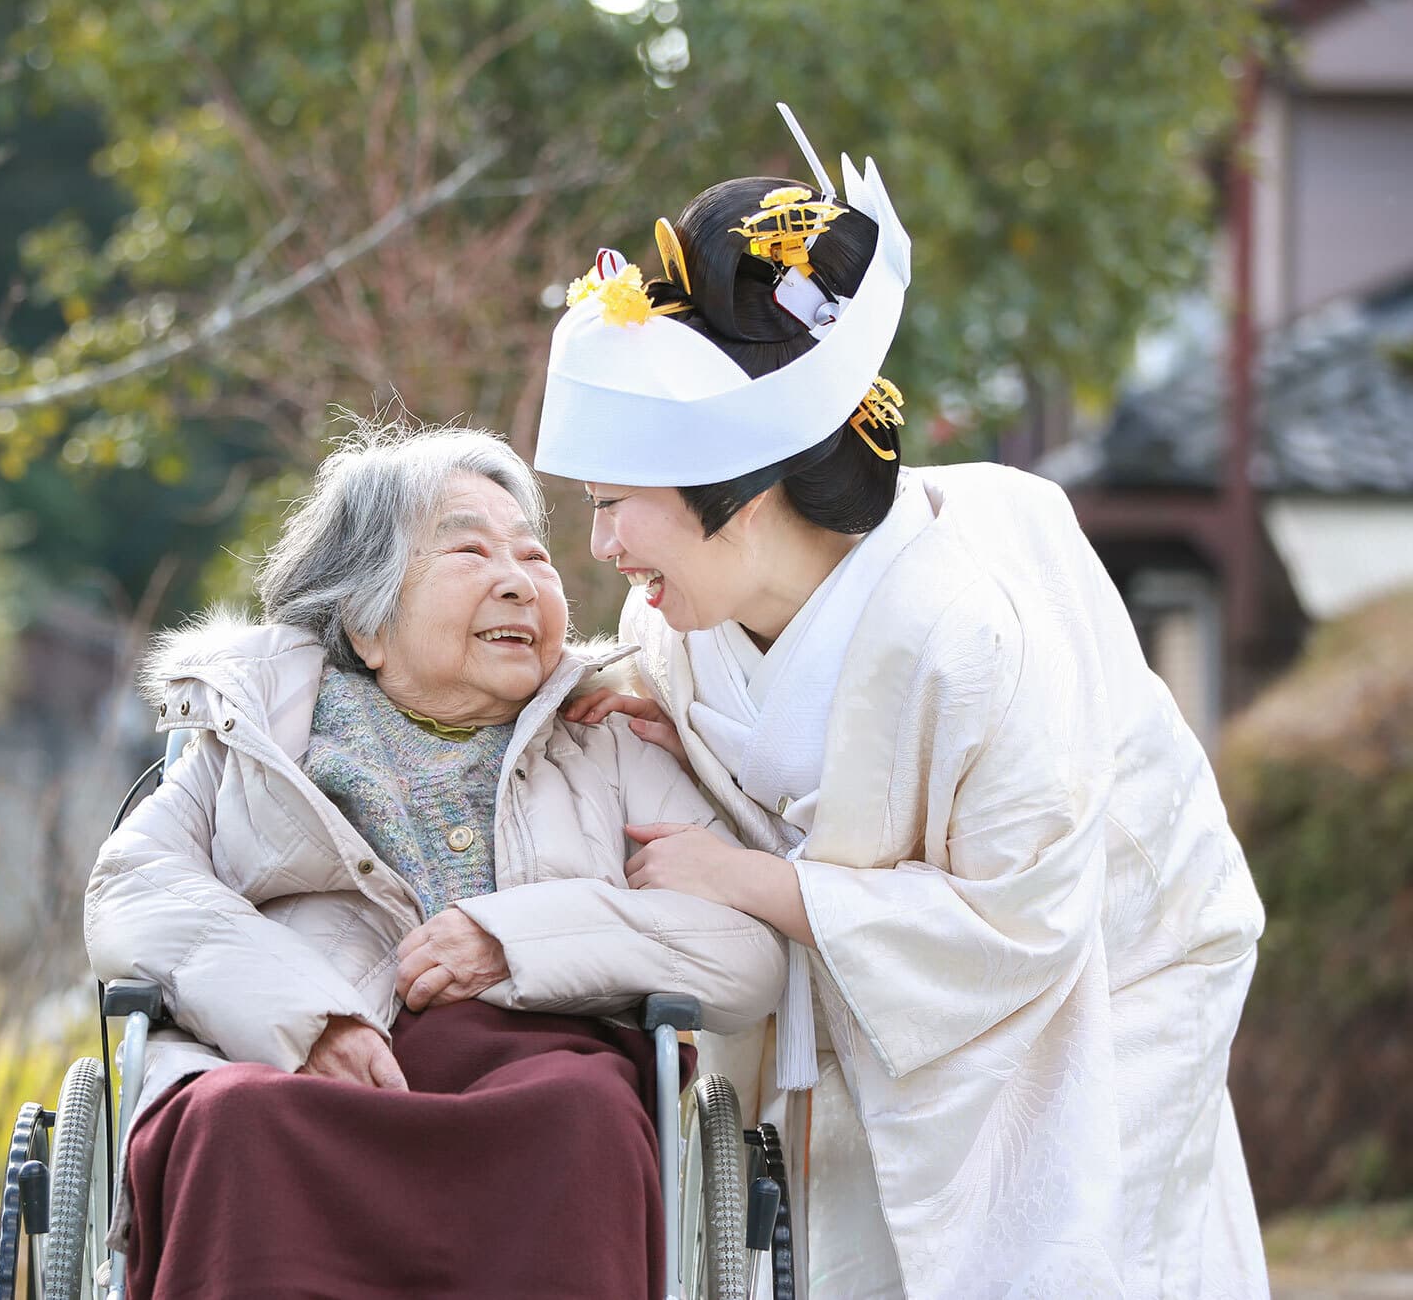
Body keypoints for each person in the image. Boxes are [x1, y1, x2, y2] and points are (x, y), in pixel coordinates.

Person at [533, 106, 1268, 1299]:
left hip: (1096, 991)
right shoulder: (676, 620)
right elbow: (760, 740)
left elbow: (1023, 920)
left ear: (744, 490)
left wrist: (754, 882)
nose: (602, 542)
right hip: (863, 1030)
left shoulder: (962, 628)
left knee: (1079, 1248)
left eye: (619, 502)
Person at [85, 422, 787, 1299]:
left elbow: (743, 953)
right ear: (367, 621)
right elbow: (135, 889)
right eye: (468, 551)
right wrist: (311, 1023)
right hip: (289, 1059)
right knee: (233, 1118)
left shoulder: (604, 740)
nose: (517, 581)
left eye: (535, 556)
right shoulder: (257, 733)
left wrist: (512, 938)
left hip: (533, 1067)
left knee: (585, 1115)